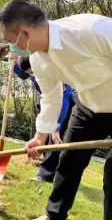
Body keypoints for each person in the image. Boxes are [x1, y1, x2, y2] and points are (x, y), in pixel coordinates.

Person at [0, 0, 112, 220]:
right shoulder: (38, 60)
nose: (12, 47)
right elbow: (50, 97)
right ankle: (53, 216)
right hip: (87, 107)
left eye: (10, 40)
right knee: (68, 163)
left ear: (25, 33)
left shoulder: (91, 30)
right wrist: (40, 138)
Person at [13, 55, 75, 183]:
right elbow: (24, 74)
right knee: (45, 133)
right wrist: (13, 63)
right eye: (31, 73)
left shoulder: (54, 73)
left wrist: (55, 128)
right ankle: (50, 172)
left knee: (55, 139)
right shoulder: (31, 65)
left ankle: (46, 175)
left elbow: (60, 101)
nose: (33, 76)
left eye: (33, 72)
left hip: (65, 101)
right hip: (49, 101)